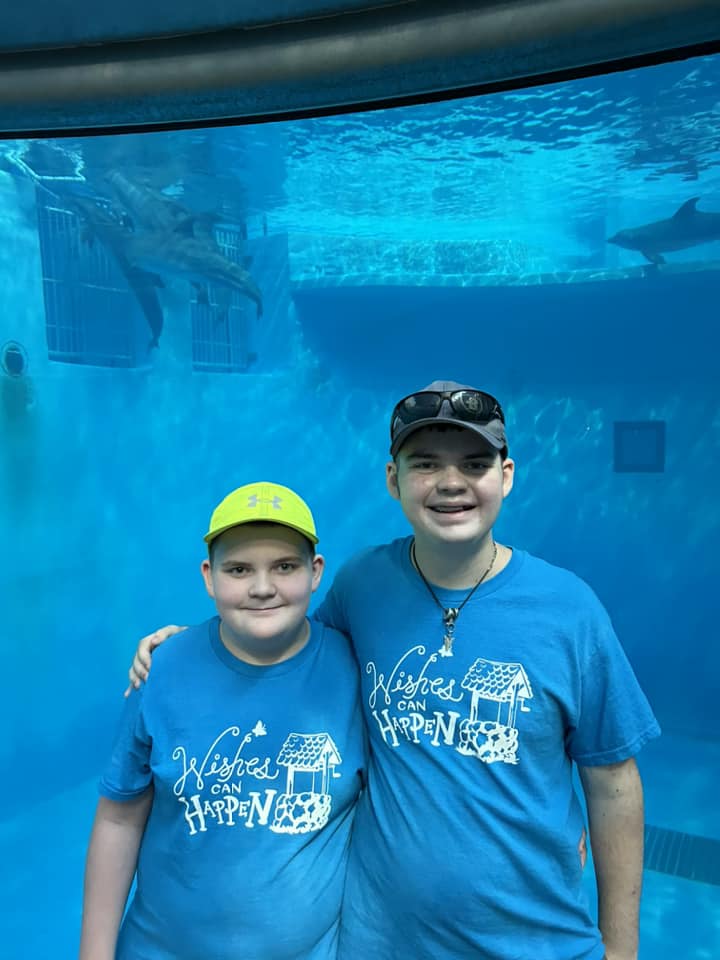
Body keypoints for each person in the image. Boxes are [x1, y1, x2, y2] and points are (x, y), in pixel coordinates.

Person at [129, 382, 660, 960]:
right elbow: (288, 651)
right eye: (425, 464)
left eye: (475, 464)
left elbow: (612, 784)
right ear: (393, 480)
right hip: (379, 940)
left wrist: (622, 949)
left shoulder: (569, 610)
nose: (451, 483)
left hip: (535, 938)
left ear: (505, 476)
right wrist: (191, 648)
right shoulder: (364, 586)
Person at [81, 482, 365, 960]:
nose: (262, 587)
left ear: (316, 572)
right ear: (209, 577)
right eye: (238, 569)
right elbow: (119, 818)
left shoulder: (353, 669)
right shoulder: (162, 671)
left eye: (285, 566)